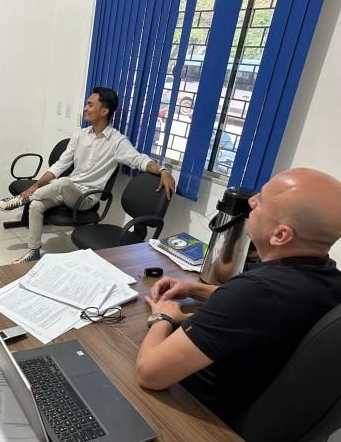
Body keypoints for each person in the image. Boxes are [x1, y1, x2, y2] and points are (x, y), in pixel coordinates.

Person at [136, 168, 341, 424]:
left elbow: (149, 374)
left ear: (280, 235)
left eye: (262, 200)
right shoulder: (328, 277)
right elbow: (264, 307)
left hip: (195, 413)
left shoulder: (253, 293)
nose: (251, 202)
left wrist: (162, 317)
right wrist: (195, 289)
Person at [0, 87, 176, 263]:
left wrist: (163, 171)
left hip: (85, 199)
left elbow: (139, 160)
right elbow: (60, 164)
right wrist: (35, 186)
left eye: (90, 105)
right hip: (65, 191)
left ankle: (21, 198)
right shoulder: (79, 135)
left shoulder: (117, 142)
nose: (85, 108)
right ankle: (34, 250)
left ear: (104, 110)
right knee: (36, 205)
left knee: (64, 182)